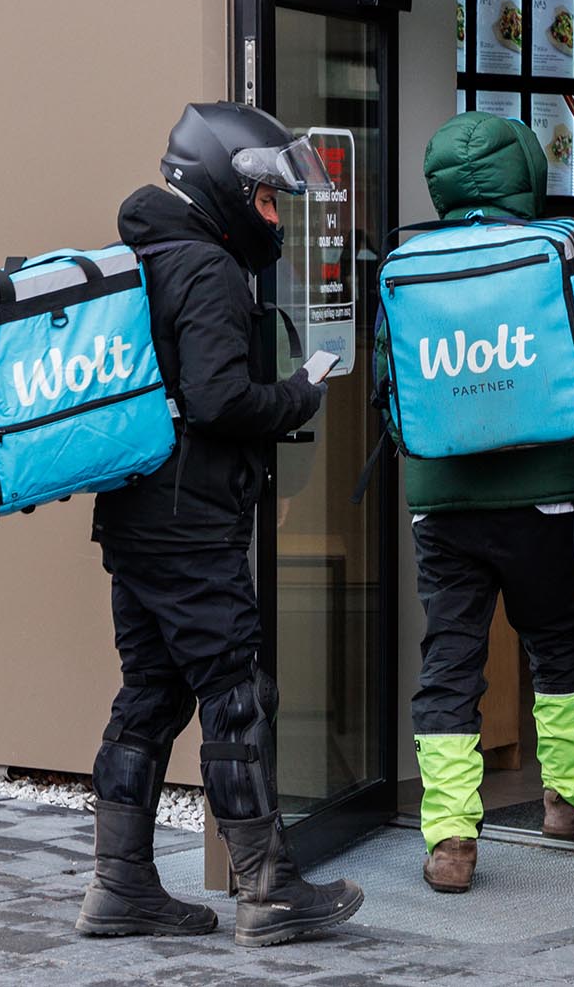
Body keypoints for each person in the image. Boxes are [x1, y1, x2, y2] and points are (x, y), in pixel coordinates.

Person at [79, 101, 363, 946]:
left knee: (151, 693)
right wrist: (301, 393)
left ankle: (120, 886)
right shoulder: (206, 268)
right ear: (223, 187)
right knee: (238, 695)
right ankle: (269, 889)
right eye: (267, 201)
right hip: (189, 526)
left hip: (136, 517)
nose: (272, 218)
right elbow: (218, 400)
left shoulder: (148, 256)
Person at [398, 111, 574, 894]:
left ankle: (450, 838)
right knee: (558, 641)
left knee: (449, 658)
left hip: (441, 500)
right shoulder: (565, 246)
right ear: (528, 174)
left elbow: (388, 378)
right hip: (540, 493)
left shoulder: (413, 259)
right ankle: (568, 798)